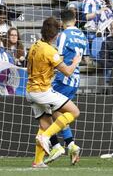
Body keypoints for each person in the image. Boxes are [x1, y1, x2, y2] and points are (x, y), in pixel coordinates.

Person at [26, 17, 81, 168]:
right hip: (43, 91)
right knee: (74, 112)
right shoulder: (50, 51)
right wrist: (76, 61)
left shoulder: (35, 45)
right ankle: (46, 137)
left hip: (30, 90)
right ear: (56, 35)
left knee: (45, 124)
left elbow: (41, 65)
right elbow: (68, 72)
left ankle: (38, 161)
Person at [43, 10, 87, 165]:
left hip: (63, 79)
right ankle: (71, 146)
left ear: (61, 22)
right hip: (75, 81)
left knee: (45, 111)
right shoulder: (82, 35)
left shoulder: (63, 35)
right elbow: (83, 59)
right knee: (55, 111)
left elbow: (59, 57)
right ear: (75, 20)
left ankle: (57, 145)